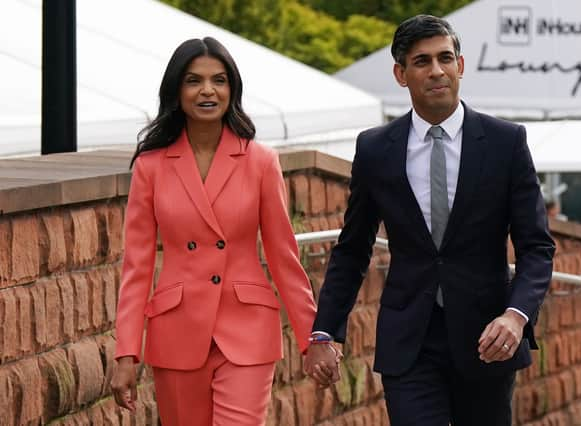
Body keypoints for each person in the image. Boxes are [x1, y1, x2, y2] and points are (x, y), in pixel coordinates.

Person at [304, 15, 556, 425]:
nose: (436, 70)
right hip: (410, 341)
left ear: (461, 65)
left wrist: (517, 315)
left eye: (445, 58)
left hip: (488, 338)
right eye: (422, 61)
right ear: (401, 74)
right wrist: (324, 332)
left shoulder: (506, 142)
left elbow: (537, 246)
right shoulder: (375, 149)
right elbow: (352, 250)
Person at [110, 37, 317, 426]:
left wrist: (313, 338)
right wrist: (126, 352)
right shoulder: (151, 166)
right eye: (194, 81)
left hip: (247, 329)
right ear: (177, 90)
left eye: (219, 80)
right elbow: (136, 268)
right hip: (176, 332)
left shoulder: (260, 162)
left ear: (232, 90)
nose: (208, 90)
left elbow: (284, 257)